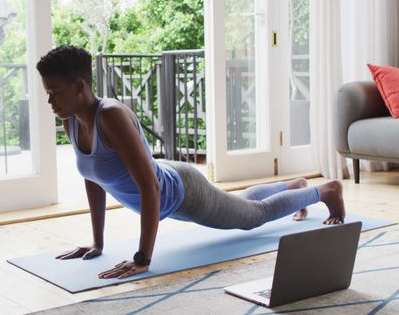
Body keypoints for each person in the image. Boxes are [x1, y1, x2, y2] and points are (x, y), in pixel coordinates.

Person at [36, 45, 346, 280]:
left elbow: (150, 187)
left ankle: (326, 191)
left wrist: (143, 258)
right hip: (173, 183)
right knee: (237, 204)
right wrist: (97, 242)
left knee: (253, 217)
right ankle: (293, 187)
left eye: (54, 92)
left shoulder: (111, 116)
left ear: (79, 86)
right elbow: (95, 179)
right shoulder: (72, 121)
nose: (50, 101)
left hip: (183, 193)